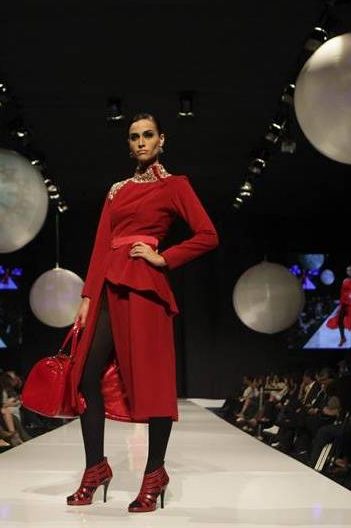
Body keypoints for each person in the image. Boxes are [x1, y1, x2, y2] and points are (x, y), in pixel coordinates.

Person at [65, 112, 219, 512]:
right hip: (108, 286)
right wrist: (87, 296)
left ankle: (154, 473)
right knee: (85, 376)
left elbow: (208, 235)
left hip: (145, 288)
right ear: (129, 144)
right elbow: (102, 245)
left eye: (148, 135)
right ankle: (95, 468)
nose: (141, 142)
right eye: (134, 137)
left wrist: (163, 258)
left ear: (161, 139)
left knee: (153, 384)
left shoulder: (175, 185)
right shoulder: (117, 190)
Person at [326, 265, 351, 348]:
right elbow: (342, 292)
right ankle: (343, 338)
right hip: (343, 304)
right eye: (347, 270)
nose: (349, 272)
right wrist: (341, 303)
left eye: (350, 270)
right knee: (340, 321)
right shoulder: (345, 280)